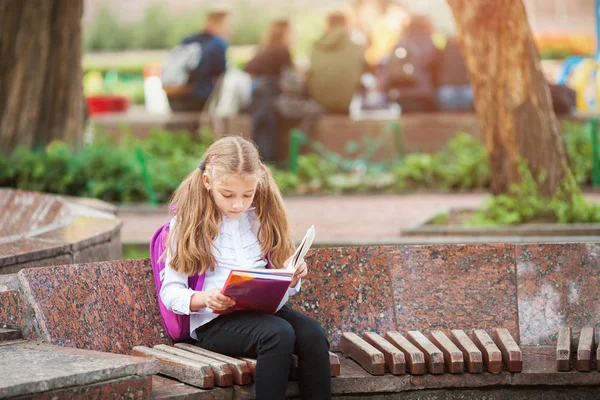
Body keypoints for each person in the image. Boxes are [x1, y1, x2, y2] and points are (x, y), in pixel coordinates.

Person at [160, 136, 332, 400]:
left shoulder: (258, 218)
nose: (238, 204)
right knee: (278, 334)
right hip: (215, 322)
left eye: (247, 194)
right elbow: (170, 292)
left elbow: (275, 286)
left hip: (262, 313)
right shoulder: (186, 224)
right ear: (208, 182)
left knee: (313, 334)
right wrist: (205, 298)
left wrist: (291, 275)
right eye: (227, 195)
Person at [244, 20, 294, 163]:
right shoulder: (282, 51)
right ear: (285, 33)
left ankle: (258, 165)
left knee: (259, 133)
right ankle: (270, 165)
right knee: (269, 132)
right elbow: (290, 80)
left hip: (256, 95)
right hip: (270, 95)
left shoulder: (263, 49)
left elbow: (248, 67)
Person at [162, 11, 231, 112]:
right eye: (228, 25)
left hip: (173, 97)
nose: (231, 29)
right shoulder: (218, 44)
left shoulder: (188, 40)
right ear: (217, 24)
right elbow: (222, 73)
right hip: (197, 100)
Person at [308, 12, 366, 113]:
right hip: (346, 104)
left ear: (328, 25)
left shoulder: (316, 47)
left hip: (320, 103)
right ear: (346, 25)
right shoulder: (357, 48)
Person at [435, 37, 473, 111]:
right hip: (449, 88)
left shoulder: (472, 53)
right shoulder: (442, 53)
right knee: (444, 95)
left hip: (466, 88)